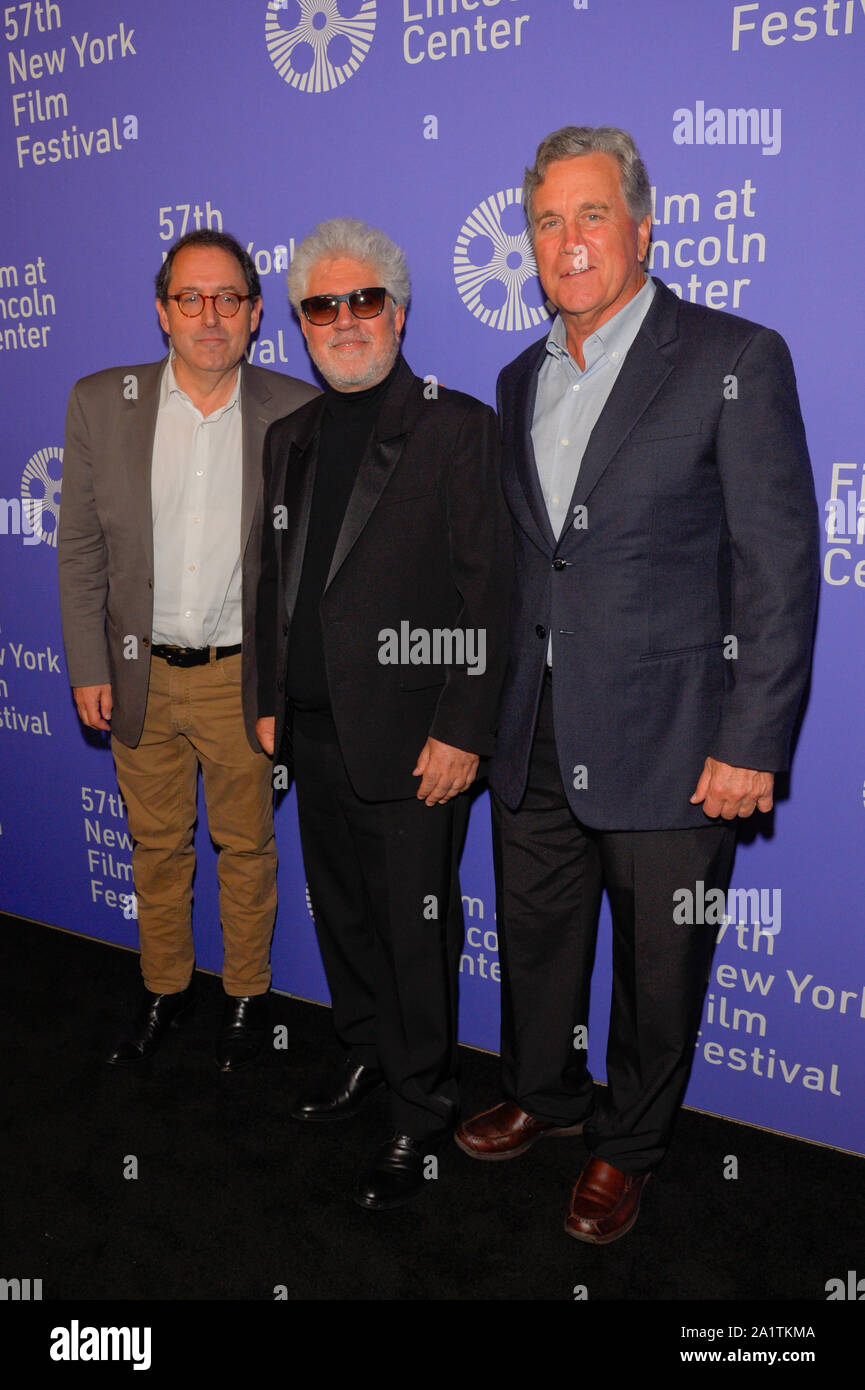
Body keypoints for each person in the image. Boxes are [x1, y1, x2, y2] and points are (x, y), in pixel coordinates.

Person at [455, 126, 819, 1242]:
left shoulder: (733, 354)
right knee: (538, 936)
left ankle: (628, 1145)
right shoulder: (519, 376)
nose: (567, 241)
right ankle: (545, 1094)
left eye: (591, 214)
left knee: (659, 966)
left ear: (643, 224)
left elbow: (778, 566)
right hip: (535, 727)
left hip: (674, 733)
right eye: (547, 221)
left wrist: (752, 739)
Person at [253, 217, 511, 1208]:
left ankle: (420, 1104)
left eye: (364, 301)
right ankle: (363, 1053)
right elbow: (274, 581)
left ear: (398, 314)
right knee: (348, 917)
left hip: (416, 746)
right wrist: (267, 701)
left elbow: (492, 592)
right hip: (312, 732)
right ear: (302, 323)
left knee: (414, 931)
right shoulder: (292, 437)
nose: (344, 320)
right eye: (323, 306)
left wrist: (463, 728)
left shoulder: (456, 426)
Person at [58, 229, 318, 1071]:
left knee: (247, 848)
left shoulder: (296, 412)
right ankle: (164, 988)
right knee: (156, 845)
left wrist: (288, 683)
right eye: (190, 299)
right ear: (162, 311)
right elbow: (81, 548)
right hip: (138, 674)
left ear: (253, 316)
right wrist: (89, 667)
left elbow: (310, 567)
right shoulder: (101, 402)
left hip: (242, 680)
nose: (210, 316)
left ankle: (246, 997)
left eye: (228, 300)